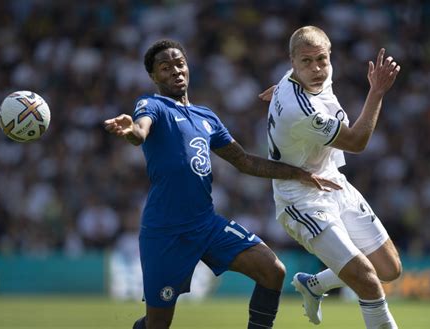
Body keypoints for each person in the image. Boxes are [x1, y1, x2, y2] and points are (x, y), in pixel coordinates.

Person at [104, 39, 341, 329]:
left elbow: (244, 161)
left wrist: (297, 173)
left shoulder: (207, 117)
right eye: (165, 68)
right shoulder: (152, 105)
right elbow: (140, 131)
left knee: (273, 271)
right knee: (158, 325)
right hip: (165, 232)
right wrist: (131, 130)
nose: (176, 71)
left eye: (180, 64)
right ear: (154, 77)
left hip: (206, 225)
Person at [260, 26, 402, 329]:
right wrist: (376, 91)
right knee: (367, 281)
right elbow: (356, 143)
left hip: (332, 180)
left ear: (329, 56)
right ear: (292, 62)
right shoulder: (302, 111)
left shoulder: (303, 78)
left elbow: (292, 85)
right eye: (307, 62)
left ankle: (315, 284)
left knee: (389, 269)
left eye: (321, 60)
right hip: (302, 198)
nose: (317, 69)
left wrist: (279, 90)